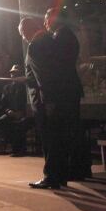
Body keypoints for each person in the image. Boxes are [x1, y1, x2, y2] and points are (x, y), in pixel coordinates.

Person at [19, 16, 67, 189]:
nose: (23, 37)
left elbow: (42, 77)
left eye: (22, 33)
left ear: (25, 31)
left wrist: (48, 101)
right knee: (58, 138)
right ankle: (61, 175)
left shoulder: (35, 45)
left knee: (48, 139)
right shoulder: (51, 39)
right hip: (59, 95)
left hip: (43, 99)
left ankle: (51, 177)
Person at [45, 8, 90, 180]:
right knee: (72, 128)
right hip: (69, 87)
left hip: (65, 89)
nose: (46, 22)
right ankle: (80, 167)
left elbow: (58, 66)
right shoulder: (65, 35)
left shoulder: (61, 37)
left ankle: (78, 168)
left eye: (47, 18)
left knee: (69, 129)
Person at [0, 64, 31, 156]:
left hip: (24, 113)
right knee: (1, 121)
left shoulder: (26, 87)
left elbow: (28, 102)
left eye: (16, 74)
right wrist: (8, 111)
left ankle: (20, 149)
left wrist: (22, 112)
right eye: (12, 73)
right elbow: (3, 104)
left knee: (21, 123)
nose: (14, 75)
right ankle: (11, 145)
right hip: (11, 113)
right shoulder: (6, 88)